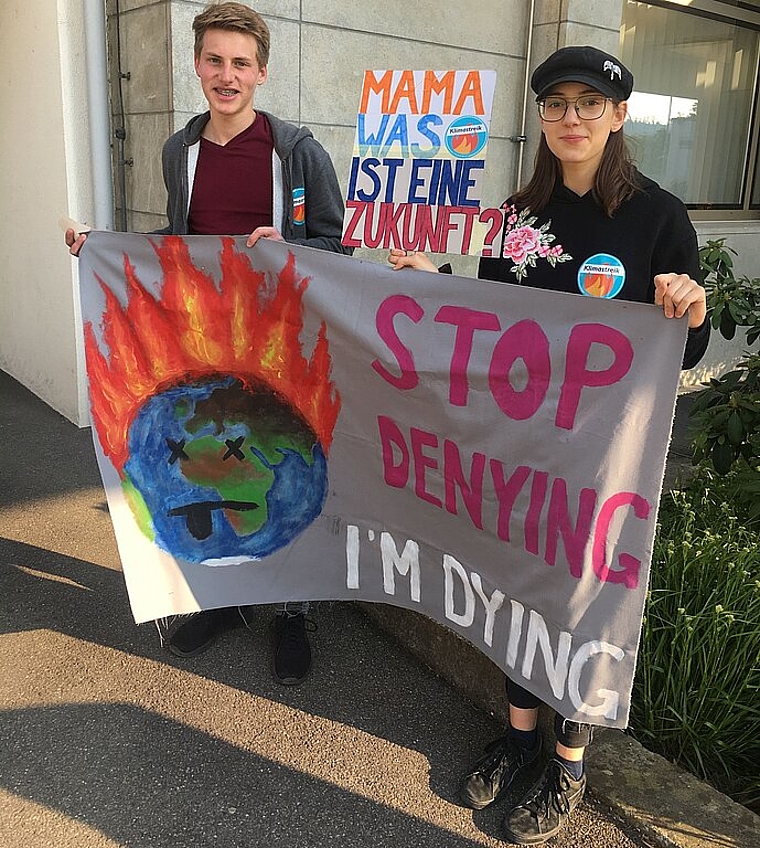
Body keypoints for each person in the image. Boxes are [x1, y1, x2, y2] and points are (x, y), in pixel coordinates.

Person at [389, 45, 709, 844]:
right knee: (518, 584)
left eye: (590, 104)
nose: (572, 118)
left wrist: (690, 311)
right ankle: (519, 735)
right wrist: (434, 279)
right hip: (521, 447)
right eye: (557, 103)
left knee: (584, 599)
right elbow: (490, 324)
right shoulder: (514, 217)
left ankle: (567, 762)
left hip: (605, 459)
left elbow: (687, 354)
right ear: (540, 116)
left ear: (619, 117)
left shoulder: (658, 217)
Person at [66, 1, 352, 685]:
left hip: (278, 344)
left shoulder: (297, 152)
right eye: (215, 61)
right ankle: (227, 601)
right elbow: (173, 246)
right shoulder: (180, 152)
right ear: (198, 65)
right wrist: (99, 248)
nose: (227, 75)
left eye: (241, 64)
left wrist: (293, 248)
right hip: (207, 349)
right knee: (214, 469)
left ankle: (290, 612)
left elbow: (337, 245)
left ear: (262, 72)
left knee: (279, 476)